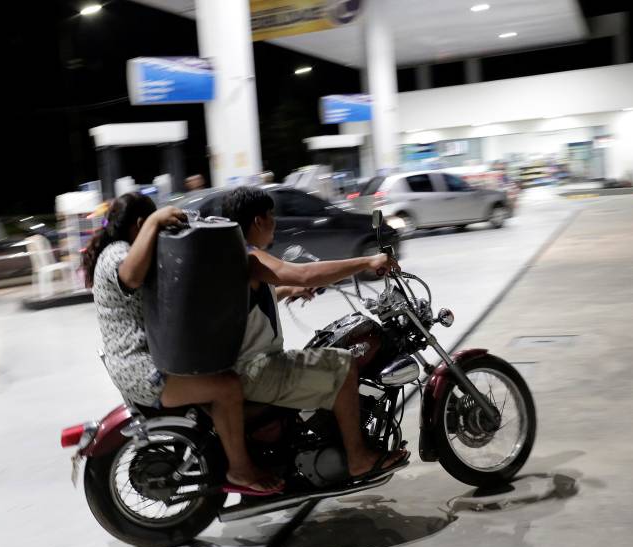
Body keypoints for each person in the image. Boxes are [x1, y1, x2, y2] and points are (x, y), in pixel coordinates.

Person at [83, 192, 282, 495]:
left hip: (148, 359)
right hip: (140, 368)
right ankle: (240, 469)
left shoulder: (126, 248)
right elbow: (131, 277)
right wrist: (155, 221)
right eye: (153, 226)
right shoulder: (118, 252)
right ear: (140, 224)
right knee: (227, 387)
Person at [222, 187, 409, 481]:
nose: (274, 223)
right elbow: (304, 273)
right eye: (271, 216)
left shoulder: (234, 256)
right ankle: (358, 458)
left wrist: (286, 291)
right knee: (344, 364)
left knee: (328, 354)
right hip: (258, 368)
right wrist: (367, 262)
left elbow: (253, 301)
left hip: (249, 365)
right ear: (258, 221)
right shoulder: (251, 256)